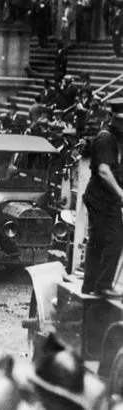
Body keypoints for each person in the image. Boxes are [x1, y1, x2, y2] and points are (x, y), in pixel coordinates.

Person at [81, 97, 123, 298]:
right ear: (113, 117)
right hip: (101, 197)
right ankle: (103, 284)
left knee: (97, 240)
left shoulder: (117, 139)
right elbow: (104, 170)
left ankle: (90, 284)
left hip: (103, 197)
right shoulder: (106, 138)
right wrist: (121, 192)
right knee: (114, 239)